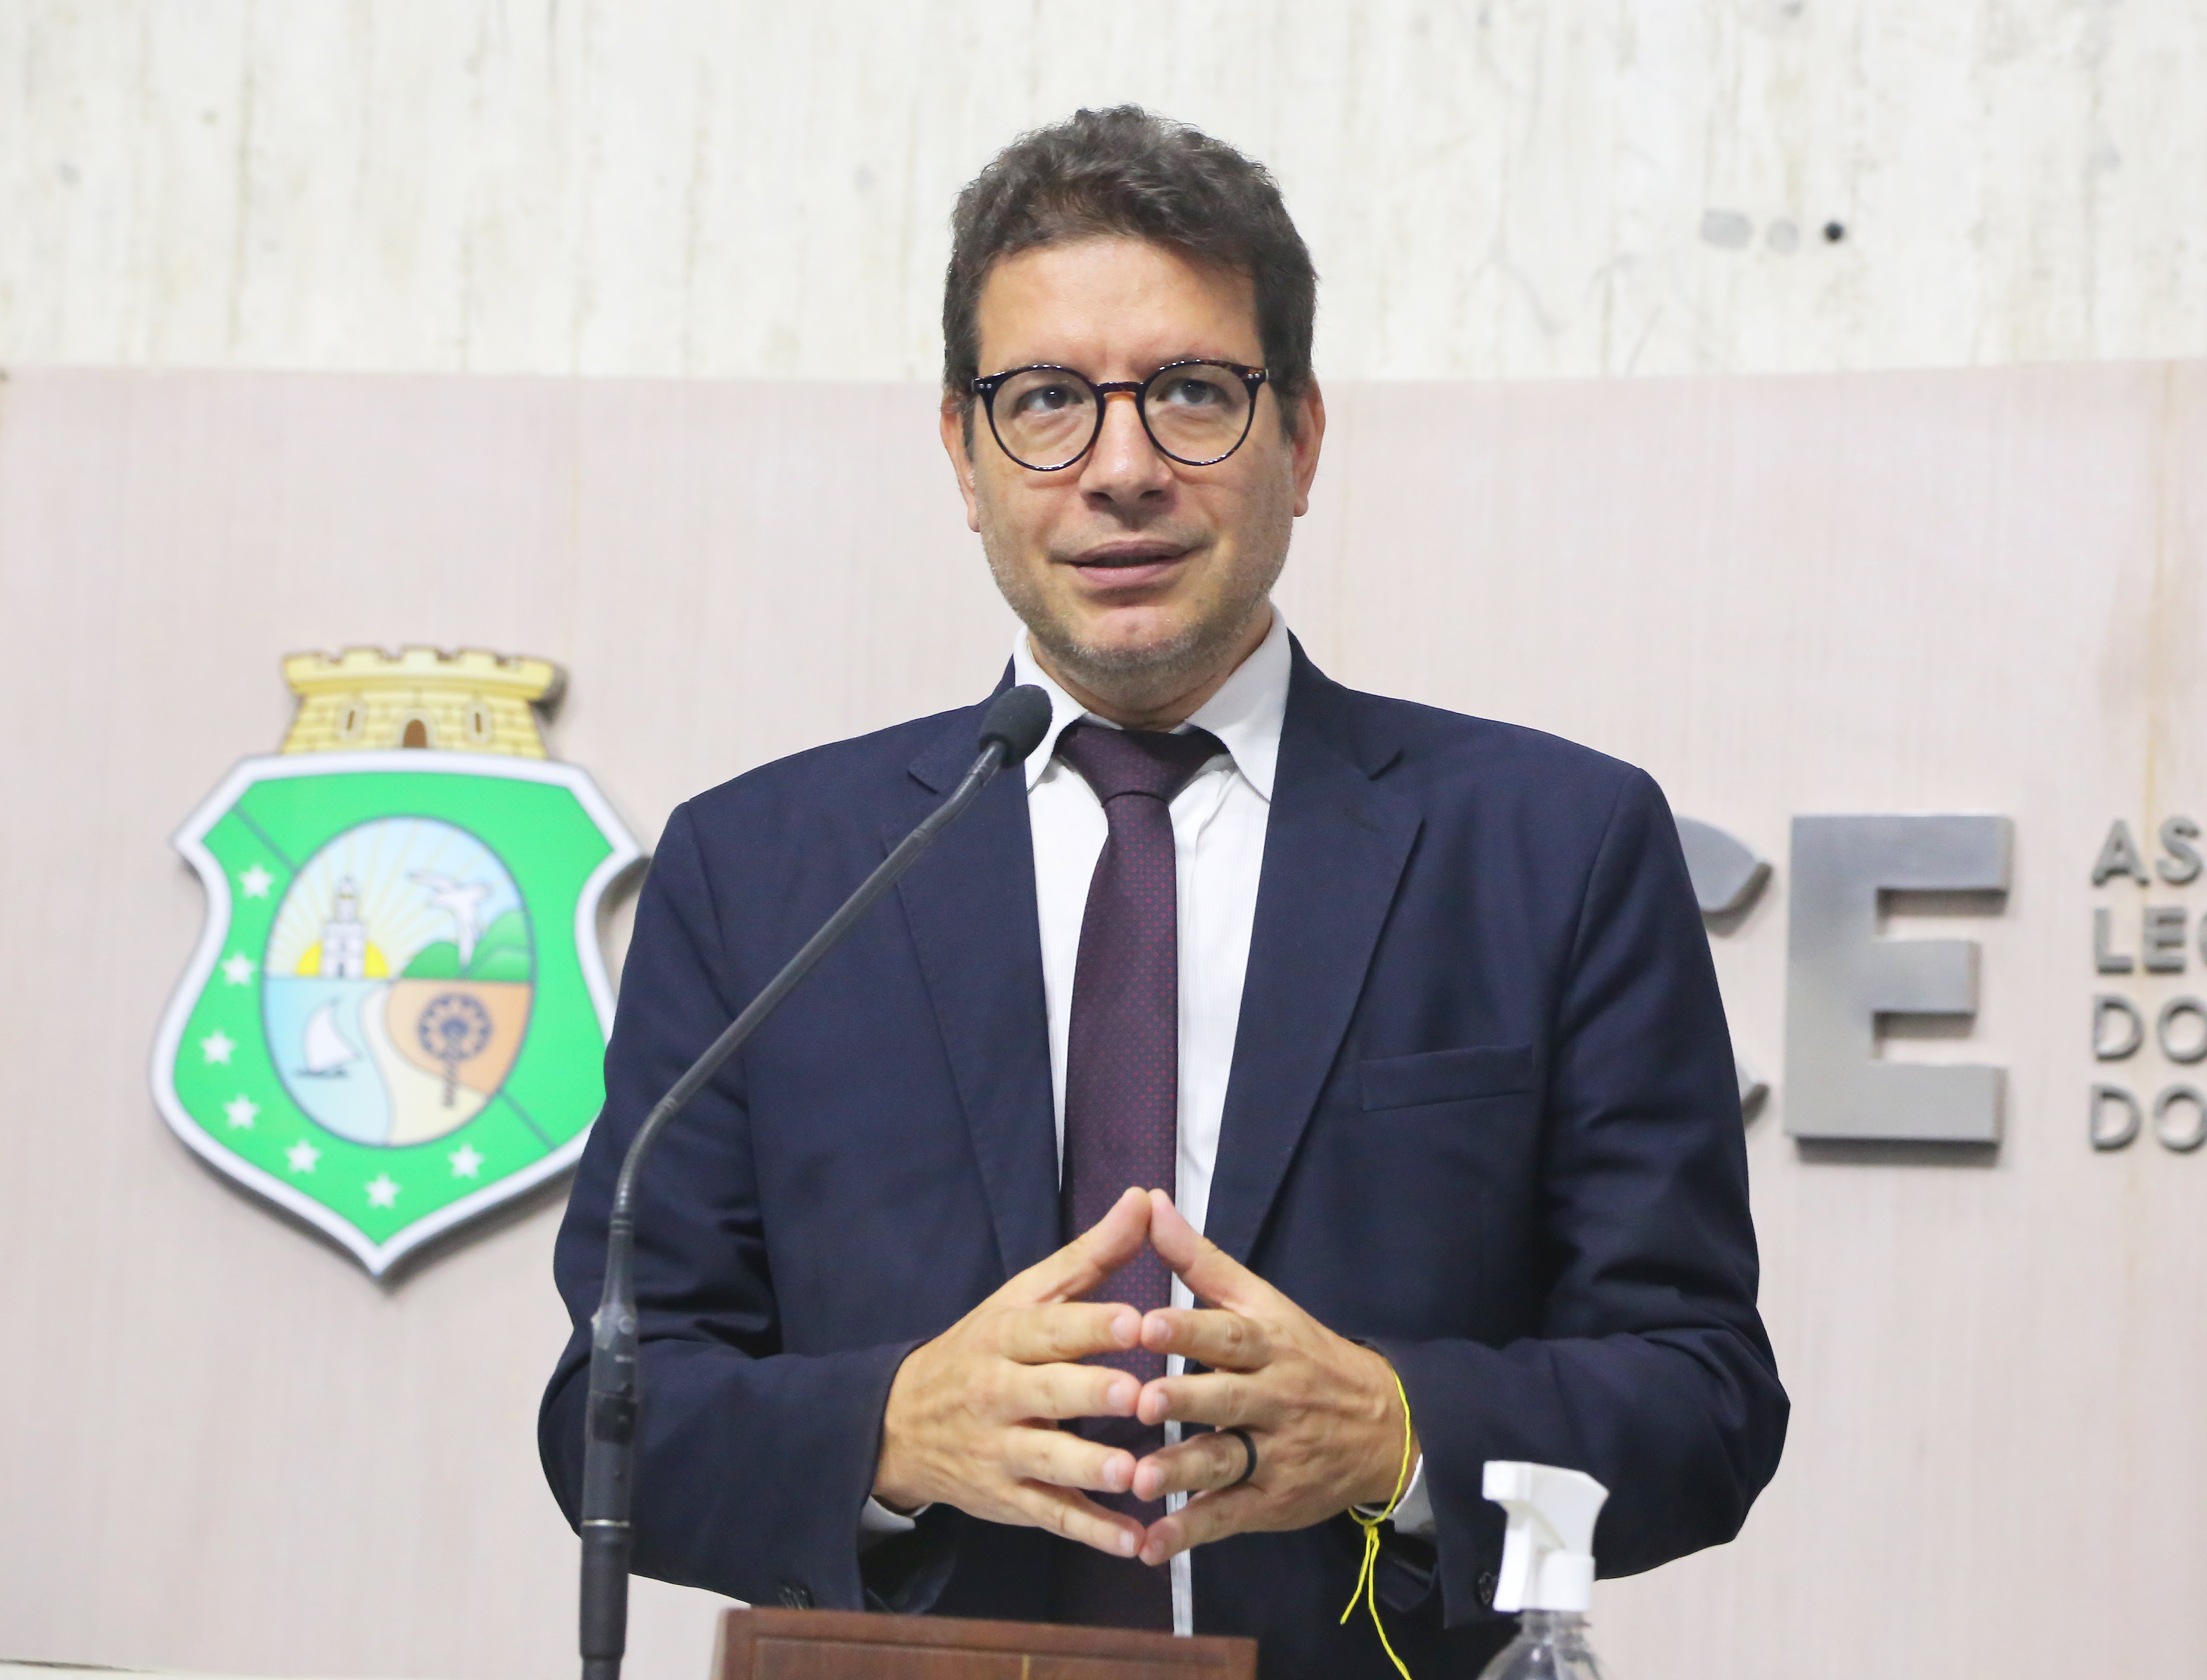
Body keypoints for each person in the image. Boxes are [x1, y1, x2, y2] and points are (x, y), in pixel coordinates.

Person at [540, 105, 1786, 1680]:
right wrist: (893, 1430)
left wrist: (1397, 1432)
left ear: (1302, 440)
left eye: (1194, 392)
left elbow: (1702, 1399)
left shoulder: (1555, 846)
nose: (1121, 469)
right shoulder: (765, 872)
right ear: (964, 455)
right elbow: (614, 1414)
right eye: (1047, 401)